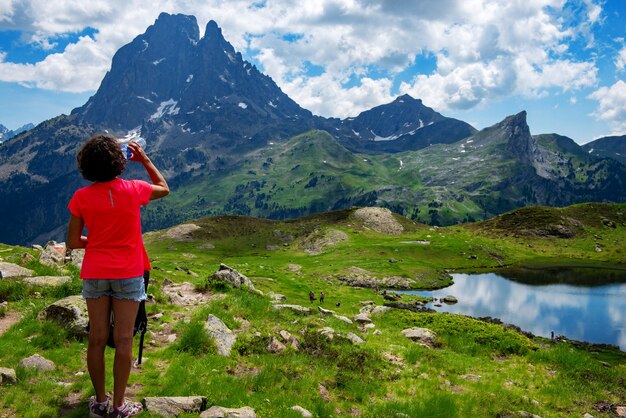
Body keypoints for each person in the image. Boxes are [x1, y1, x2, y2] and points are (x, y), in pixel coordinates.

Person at [67, 135, 169, 418]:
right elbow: (164, 188)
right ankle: (120, 406)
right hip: (128, 272)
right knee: (124, 340)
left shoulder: (80, 197)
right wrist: (145, 160)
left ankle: (99, 403)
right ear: (119, 161)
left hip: (95, 272)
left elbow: (73, 241)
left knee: (97, 339)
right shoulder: (134, 189)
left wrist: (98, 242)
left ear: (87, 165)